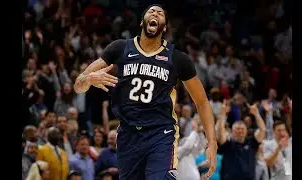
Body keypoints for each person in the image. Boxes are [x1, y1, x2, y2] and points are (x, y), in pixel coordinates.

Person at [73, 4, 217, 180]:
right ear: (142, 22)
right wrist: (88, 79)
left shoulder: (178, 59)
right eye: (151, 11)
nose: (155, 13)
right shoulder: (120, 48)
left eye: (160, 13)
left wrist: (212, 141)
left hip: (161, 133)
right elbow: (78, 85)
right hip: (128, 134)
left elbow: (201, 102)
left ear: (164, 27)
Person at [217, 100, 266, 180]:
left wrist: (256, 114)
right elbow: (220, 132)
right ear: (232, 131)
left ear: (246, 131)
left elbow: (263, 130)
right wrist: (223, 114)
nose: (240, 131)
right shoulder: (227, 144)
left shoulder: (251, 143)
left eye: (242, 129)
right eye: (237, 129)